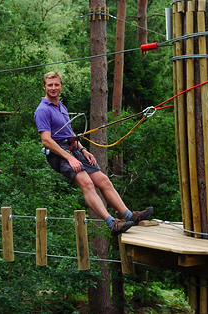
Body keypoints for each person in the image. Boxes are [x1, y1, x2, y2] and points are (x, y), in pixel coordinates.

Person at [34, 71, 152, 236]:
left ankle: (129, 215)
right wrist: (69, 158)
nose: (53, 88)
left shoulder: (61, 107)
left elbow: (69, 133)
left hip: (73, 148)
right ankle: (112, 223)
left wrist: (83, 150)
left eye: (56, 84)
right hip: (59, 154)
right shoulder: (42, 110)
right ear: (44, 87)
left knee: (102, 180)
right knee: (87, 184)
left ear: (61, 86)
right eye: (50, 85)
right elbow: (46, 140)